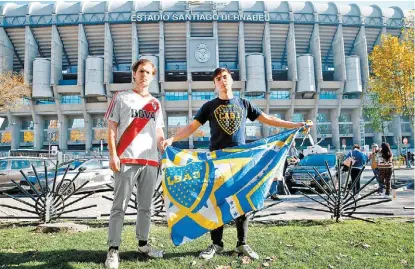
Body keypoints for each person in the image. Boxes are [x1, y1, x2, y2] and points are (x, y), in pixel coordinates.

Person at [162, 67, 313, 260]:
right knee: (216, 201)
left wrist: (295, 125)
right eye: (218, 79)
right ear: (215, 84)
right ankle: (216, 244)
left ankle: (242, 243)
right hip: (217, 161)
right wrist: (171, 140)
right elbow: (192, 127)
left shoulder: (244, 103)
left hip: (241, 161)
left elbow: (267, 119)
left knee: (241, 201)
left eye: (225, 77)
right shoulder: (209, 106)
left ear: (231, 79)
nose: (222, 81)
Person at [104, 59, 165, 269]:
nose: (144, 75)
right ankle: (113, 250)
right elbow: (112, 129)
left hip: (150, 161)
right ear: (134, 73)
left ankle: (143, 244)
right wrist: (113, 155)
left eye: (148, 72)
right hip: (126, 159)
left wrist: (163, 144)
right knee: (118, 206)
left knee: (146, 208)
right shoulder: (121, 97)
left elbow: (158, 132)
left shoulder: (156, 104)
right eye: (141, 71)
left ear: (153, 76)